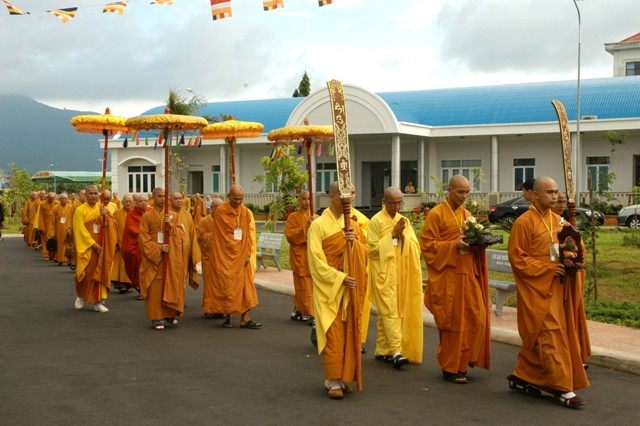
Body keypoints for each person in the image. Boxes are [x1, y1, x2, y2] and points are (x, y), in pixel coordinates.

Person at [507, 176, 589, 408]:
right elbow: (518, 259)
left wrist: (575, 260)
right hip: (537, 288)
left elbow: (573, 247)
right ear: (534, 194)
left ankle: (524, 375)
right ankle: (562, 388)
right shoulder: (524, 223)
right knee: (550, 334)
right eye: (549, 192)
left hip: (559, 288)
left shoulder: (559, 221)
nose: (555, 196)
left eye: (556, 192)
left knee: (544, 336)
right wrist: (547, 269)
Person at [421, 175, 491, 384]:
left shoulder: (467, 215)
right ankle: (451, 367)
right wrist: (453, 245)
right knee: (453, 323)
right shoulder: (436, 214)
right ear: (449, 190)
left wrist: (480, 244)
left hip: (467, 275)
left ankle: (465, 359)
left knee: (476, 318)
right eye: (460, 192)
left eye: (467, 192)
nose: (464, 196)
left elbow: (472, 245)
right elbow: (427, 246)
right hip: (448, 277)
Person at [307, 182, 369, 399]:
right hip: (330, 289)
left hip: (350, 288)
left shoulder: (354, 223)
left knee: (348, 333)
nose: (348, 200)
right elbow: (315, 261)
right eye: (343, 196)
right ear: (331, 197)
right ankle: (332, 379)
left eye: (351, 195)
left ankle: (341, 377)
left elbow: (365, 253)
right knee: (333, 334)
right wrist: (340, 278)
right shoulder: (318, 225)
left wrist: (355, 243)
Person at [367, 187, 423, 369]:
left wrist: (403, 237)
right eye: (393, 203)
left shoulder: (403, 221)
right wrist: (392, 234)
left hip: (400, 272)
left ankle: (383, 350)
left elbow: (415, 247)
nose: (397, 206)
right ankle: (397, 351)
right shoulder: (376, 221)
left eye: (400, 202)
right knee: (389, 311)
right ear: (384, 201)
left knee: (396, 311)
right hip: (383, 273)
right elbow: (372, 250)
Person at [138, 189, 200, 330]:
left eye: (164, 196)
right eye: (159, 196)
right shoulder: (147, 216)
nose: (162, 199)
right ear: (153, 198)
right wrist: (158, 248)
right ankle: (156, 318)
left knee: (171, 283)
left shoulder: (173, 216)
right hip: (155, 258)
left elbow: (182, 237)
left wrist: (171, 226)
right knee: (156, 287)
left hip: (171, 258)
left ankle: (169, 315)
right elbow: (143, 239)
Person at [203, 185, 261, 329]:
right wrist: (231, 249)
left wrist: (247, 253)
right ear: (229, 197)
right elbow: (222, 236)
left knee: (245, 287)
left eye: (241, 199)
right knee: (227, 287)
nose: (238, 202)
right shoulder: (221, 212)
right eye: (235, 199)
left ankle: (245, 318)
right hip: (225, 256)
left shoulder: (245, 213)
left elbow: (248, 235)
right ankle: (228, 316)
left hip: (241, 256)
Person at [72, 184, 117, 313]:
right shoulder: (80, 210)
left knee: (101, 273)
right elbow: (80, 230)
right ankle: (80, 296)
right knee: (84, 273)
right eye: (90, 193)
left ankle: (98, 302)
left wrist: (106, 217)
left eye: (96, 193)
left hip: (102, 247)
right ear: (85, 195)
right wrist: (92, 244)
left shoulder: (102, 209)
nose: (93, 196)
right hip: (87, 247)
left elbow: (112, 226)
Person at [284, 190, 317, 322]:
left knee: (312, 287)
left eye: (309, 199)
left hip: (313, 257)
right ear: (299, 200)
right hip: (300, 257)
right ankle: (308, 312)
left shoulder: (316, 217)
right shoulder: (293, 217)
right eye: (304, 199)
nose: (307, 201)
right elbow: (290, 235)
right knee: (303, 286)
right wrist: (305, 226)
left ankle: (298, 308)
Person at [196, 196, 225, 319]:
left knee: (221, 285)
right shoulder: (204, 221)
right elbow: (201, 238)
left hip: (222, 259)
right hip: (209, 258)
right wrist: (216, 236)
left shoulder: (226, 222)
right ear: (211, 208)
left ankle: (220, 308)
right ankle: (209, 308)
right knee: (209, 284)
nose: (220, 211)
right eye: (217, 208)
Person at [121, 194, 150, 297]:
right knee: (138, 265)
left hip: (150, 245)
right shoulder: (132, 214)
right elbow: (132, 229)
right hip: (135, 245)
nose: (144, 203)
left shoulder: (151, 212)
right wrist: (147, 233)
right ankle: (141, 288)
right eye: (141, 201)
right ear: (136, 203)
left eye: (145, 201)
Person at [111, 194, 134, 293]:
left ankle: (128, 284)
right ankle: (120, 284)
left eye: (130, 201)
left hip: (132, 244)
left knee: (129, 264)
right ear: (122, 202)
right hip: (119, 243)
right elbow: (113, 228)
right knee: (118, 265)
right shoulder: (117, 213)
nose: (128, 203)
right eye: (126, 201)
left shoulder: (135, 213)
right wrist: (115, 241)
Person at [51, 192, 73, 265]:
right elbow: (52, 220)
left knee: (69, 244)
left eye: (65, 198)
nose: (64, 200)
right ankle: (60, 259)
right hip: (59, 229)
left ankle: (68, 259)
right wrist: (52, 231)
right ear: (59, 199)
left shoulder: (71, 207)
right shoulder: (55, 208)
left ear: (68, 199)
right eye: (62, 198)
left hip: (68, 228)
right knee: (60, 244)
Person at [38, 192, 58, 260]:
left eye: (53, 199)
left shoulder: (57, 203)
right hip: (45, 225)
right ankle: (46, 255)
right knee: (44, 241)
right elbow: (40, 216)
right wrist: (41, 227)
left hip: (53, 225)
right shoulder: (42, 204)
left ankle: (53, 255)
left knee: (53, 240)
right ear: (47, 198)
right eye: (50, 199)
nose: (51, 200)